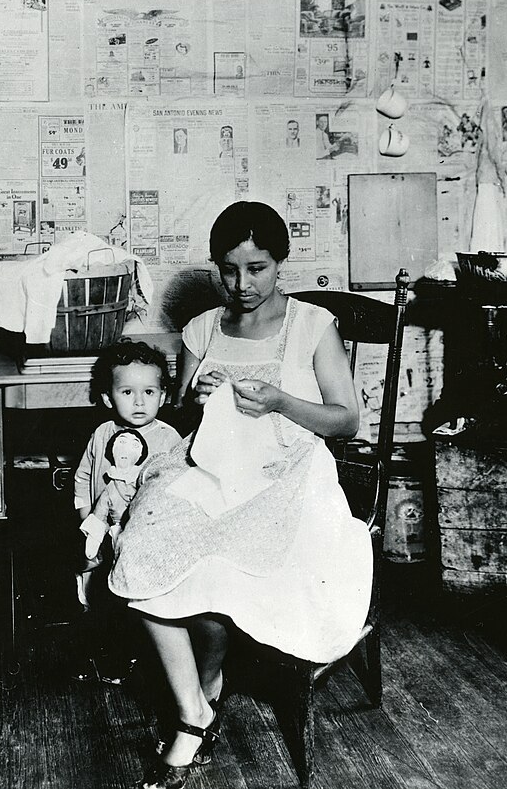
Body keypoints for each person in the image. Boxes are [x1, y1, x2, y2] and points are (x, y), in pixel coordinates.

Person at [108, 201, 368, 789]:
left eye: (257, 269)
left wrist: (278, 400)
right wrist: (194, 399)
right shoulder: (202, 328)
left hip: (289, 474)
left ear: (282, 262)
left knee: (221, 564)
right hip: (212, 468)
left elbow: (347, 420)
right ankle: (195, 707)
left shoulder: (311, 324)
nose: (242, 285)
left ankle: (202, 695)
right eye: (229, 270)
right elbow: (175, 416)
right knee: (139, 555)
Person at [73, 339, 181, 684]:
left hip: (145, 536)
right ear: (108, 397)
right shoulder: (102, 433)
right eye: (127, 392)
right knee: (100, 589)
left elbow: (177, 488)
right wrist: (85, 517)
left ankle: (144, 656)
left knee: (141, 596)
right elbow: (84, 475)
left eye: (149, 392)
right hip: (102, 529)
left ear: (163, 396)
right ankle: (109, 654)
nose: (139, 401)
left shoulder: (168, 439)